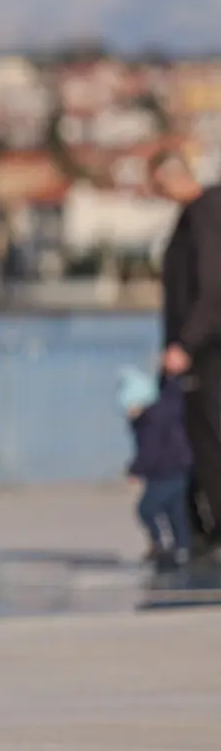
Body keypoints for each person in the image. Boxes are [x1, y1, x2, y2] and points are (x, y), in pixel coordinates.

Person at [155, 151, 221, 551]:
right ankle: (196, 530)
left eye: (158, 184)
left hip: (205, 350)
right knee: (189, 440)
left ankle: (210, 531)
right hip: (196, 347)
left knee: (206, 440)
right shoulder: (194, 214)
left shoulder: (207, 213)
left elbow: (213, 289)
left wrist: (186, 344)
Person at [119, 367, 193, 571]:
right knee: (174, 510)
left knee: (147, 509)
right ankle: (182, 546)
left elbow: (149, 451)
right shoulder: (161, 412)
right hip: (177, 468)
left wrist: (135, 470)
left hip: (165, 472)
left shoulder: (150, 421)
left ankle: (161, 544)